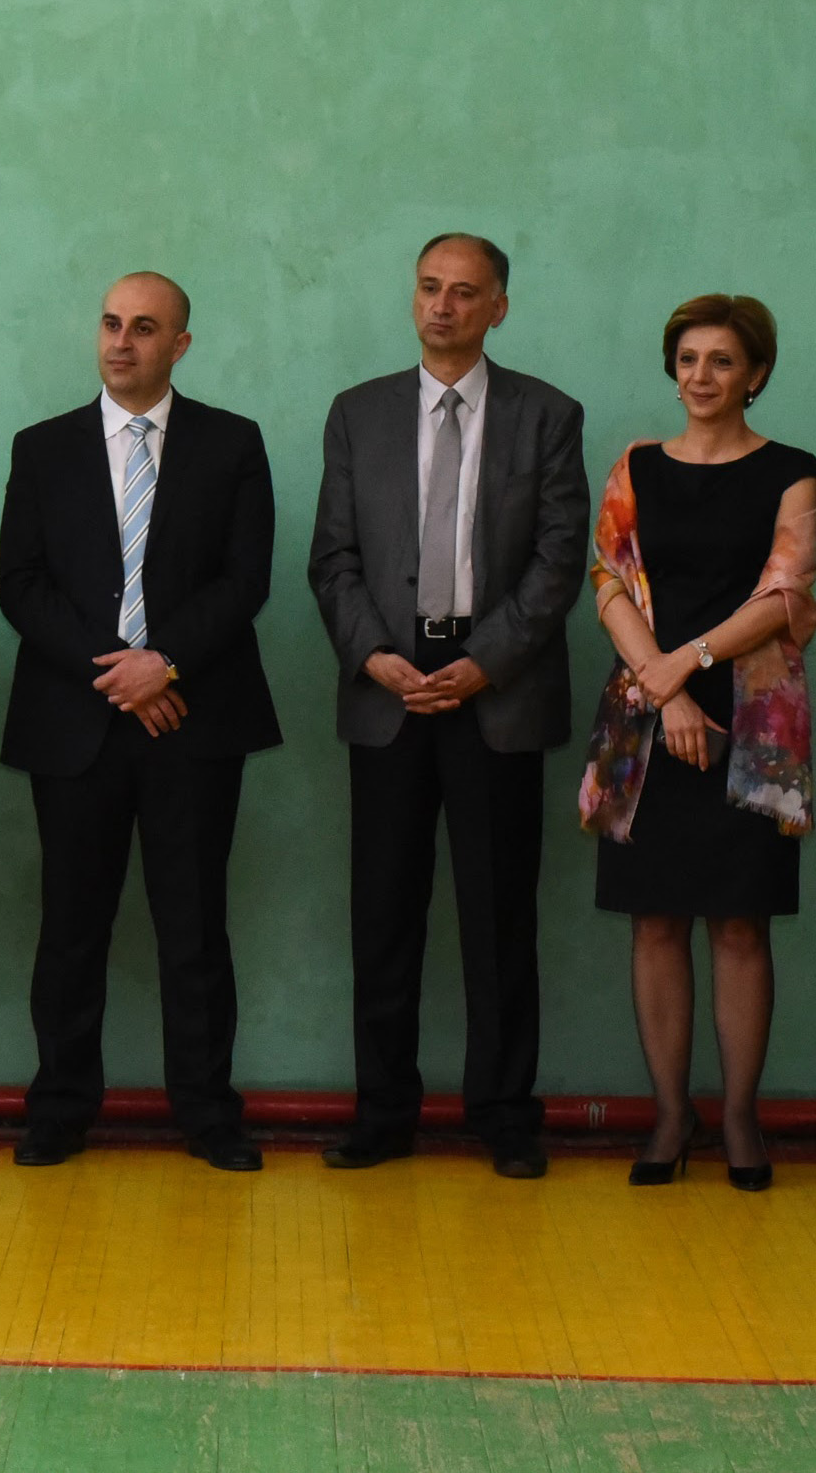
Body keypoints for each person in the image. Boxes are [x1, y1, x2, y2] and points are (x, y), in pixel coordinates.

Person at [307, 234, 587, 1179]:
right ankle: (383, 1112)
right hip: (389, 686)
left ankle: (503, 1114)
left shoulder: (547, 415)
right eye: (429, 287)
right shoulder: (358, 413)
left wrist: (485, 663)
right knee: (383, 914)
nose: (443, 306)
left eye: (465, 293)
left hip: (495, 689)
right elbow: (333, 558)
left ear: (497, 307)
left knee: (498, 917)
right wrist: (375, 657)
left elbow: (558, 561)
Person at [0, 273, 283, 1171]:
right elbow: (21, 584)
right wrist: (121, 671)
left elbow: (245, 579)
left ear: (180, 345)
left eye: (145, 328)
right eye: (112, 324)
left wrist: (165, 662)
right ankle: (59, 1110)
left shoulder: (233, 443)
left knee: (193, 929)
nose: (122, 341)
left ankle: (207, 1114)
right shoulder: (42, 448)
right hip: (74, 724)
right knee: (70, 928)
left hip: (193, 719)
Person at [575, 296, 816, 1193]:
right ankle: (672, 1115)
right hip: (648, 721)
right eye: (687, 359)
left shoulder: (792, 471)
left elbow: (786, 593)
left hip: (752, 724)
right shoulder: (635, 465)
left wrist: (687, 664)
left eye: (722, 360)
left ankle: (741, 1118)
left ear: (756, 374)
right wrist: (665, 687)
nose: (702, 376)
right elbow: (608, 582)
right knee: (655, 921)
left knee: (741, 923)